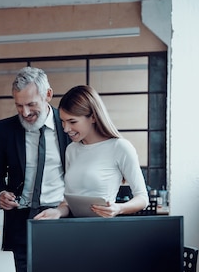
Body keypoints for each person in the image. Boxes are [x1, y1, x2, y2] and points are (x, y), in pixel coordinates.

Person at [0, 66, 71, 272]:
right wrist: (0, 192)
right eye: (19, 105)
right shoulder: (5, 129)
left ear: (48, 95)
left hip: (58, 216)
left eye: (31, 104)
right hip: (19, 219)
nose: (24, 112)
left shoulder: (68, 127)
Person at [59, 85, 148, 216]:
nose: (66, 129)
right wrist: (57, 212)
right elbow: (67, 202)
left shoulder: (120, 147)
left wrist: (118, 208)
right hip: (73, 227)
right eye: (63, 121)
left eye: (72, 121)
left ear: (93, 117)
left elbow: (143, 199)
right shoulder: (71, 149)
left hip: (103, 228)